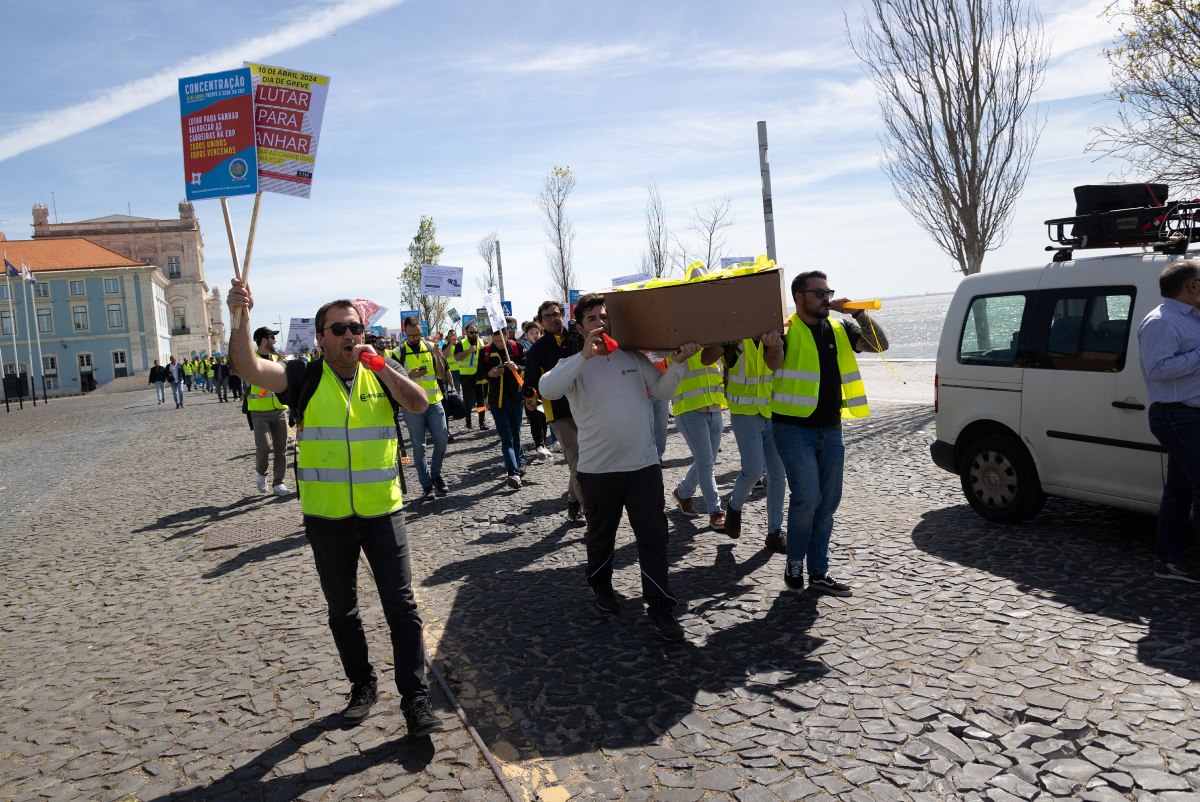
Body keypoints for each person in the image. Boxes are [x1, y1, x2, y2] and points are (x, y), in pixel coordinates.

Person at [227, 281, 444, 736]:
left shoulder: (381, 370)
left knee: (402, 608)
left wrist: (382, 367)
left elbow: (419, 403)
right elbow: (246, 366)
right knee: (342, 610)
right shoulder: (303, 376)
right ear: (321, 338)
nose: (350, 335)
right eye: (339, 328)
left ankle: (416, 699)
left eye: (356, 327)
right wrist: (240, 316)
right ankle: (362, 685)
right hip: (327, 519)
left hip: (383, 512)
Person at [540, 293, 699, 642]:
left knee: (653, 537)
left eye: (604, 317)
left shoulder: (632, 356)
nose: (600, 323)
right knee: (601, 537)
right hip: (598, 472)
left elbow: (661, 391)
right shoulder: (574, 363)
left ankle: (660, 606)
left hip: (642, 467)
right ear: (580, 328)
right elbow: (547, 389)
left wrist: (679, 363)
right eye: (593, 318)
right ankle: (601, 586)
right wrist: (584, 355)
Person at [765, 270, 888, 596]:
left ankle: (819, 572)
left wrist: (859, 313)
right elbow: (772, 363)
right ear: (799, 297)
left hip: (831, 430)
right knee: (807, 497)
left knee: (828, 502)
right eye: (819, 292)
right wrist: (772, 345)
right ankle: (795, 563)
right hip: (792, 428)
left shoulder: (841, 327)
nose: (826, 297)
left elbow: (880, 345)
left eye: (828, 291)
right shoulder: (785, 329)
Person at [1138, 259, 1200, 583]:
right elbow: (1158, 369)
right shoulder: (1161, 321)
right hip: (1177, 415)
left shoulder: (1193, 318)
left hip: (1189, 415)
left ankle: (1167, 561)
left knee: (1179, 492)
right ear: (1192, 286)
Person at [707, 337, 786, 549]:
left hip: (773, 410)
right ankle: (734, 506)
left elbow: (777, 365)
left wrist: (776, 344)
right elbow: (706, 358)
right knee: (753, 470)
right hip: (744, 413)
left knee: (778, 474)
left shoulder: (775, 329)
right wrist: (722, 339)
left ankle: (775, 532)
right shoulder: (732, 331)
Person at [525, 301, 584, 524]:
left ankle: (573, 502)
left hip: (587, 405)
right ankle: (593, 516)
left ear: (562, 315)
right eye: (547, 316)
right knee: (578, 463)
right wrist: (531, 400)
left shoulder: (576, 338)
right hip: (559, 412)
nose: (552, 319)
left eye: (555, 314)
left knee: (583, 460)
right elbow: (530, 383)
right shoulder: (537, 350)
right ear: (540, 322)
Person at [390, 316, 450, 499]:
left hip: (434, 402)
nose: (416, 338)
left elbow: (440, 375)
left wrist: (438, 357)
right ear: (405, 332)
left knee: (442, 440)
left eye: (418, 334)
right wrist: (410, 374)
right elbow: (395, 382)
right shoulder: (398, 352)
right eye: (412, 335)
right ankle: (426, 485)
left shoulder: (431, 347)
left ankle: (435, 474)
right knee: (419, 446)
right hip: (412, 406)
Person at [671, 345, 728, 531]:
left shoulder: (713, 337)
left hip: (714, 405)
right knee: (705, 461)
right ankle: (715, 511)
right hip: (689, 408)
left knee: (707, 461)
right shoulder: (676, 337)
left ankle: (683, 492)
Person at [481, 321, 526, 488]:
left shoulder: (517, 347)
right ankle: (513, 473)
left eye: (501, 340)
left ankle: (521, 461)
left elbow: (528, 367)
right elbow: (479, 377)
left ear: (507, 335)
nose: (499, 343)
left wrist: (518, 368)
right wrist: (490, 374)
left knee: (516, 434)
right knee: (506, 438)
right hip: (497, 401)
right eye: (495, 340)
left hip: (516, 398)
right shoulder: (485, 351)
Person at [247, 327, 291, 496]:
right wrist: (276, 364)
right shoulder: (252, 360)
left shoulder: (276, 358)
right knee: (264, 447)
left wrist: (283, 363)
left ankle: (278, 483)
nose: (274, 341)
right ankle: (261, 473)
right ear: (264, 340)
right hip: (259, 411)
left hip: (279, 409)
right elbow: (260, 375)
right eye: (272, 338)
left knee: (281, 449)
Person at [448, 323, 487, 431]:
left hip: (479, 375)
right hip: (466, 377)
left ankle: (482, 422)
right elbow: (456, 357)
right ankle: (468, 420)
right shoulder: (461, 343)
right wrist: (469, 351)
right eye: (471, 332)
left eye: (475, 332)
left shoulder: (482, 342)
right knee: (469, 401)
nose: (474, 334)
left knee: (480, 400)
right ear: (466, 333)